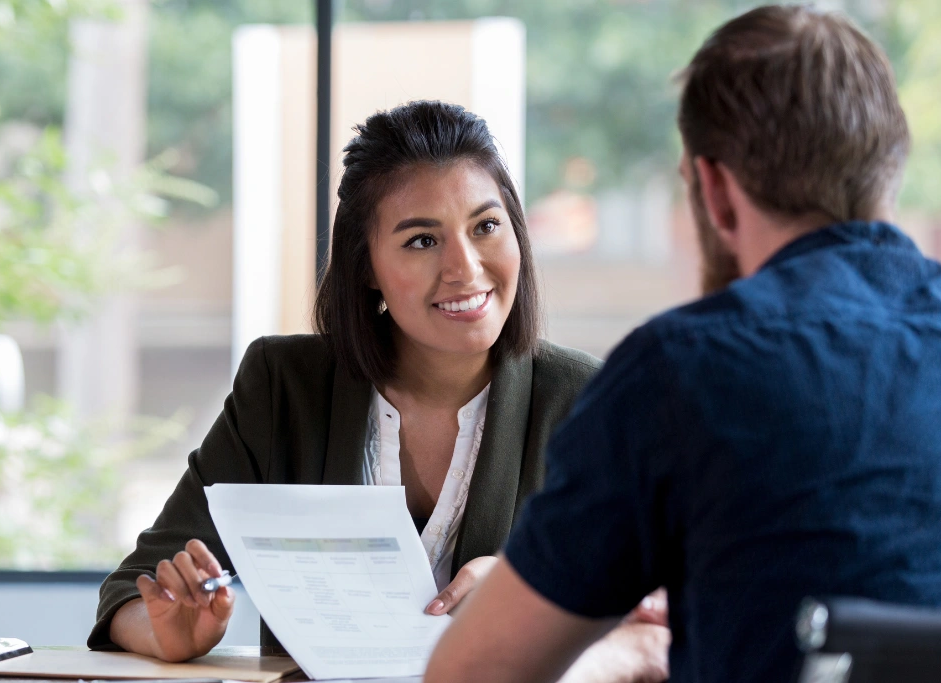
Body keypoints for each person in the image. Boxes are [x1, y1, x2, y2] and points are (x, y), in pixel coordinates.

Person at [425, 5, 941, 683]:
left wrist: (626, 651)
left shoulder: (681, 371)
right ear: (892, 169)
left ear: (715, 190)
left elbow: (471, 675)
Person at [87, 100, 670, 681]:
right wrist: (168, 633)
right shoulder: (283, 387)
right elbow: (129, 593)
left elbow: (663, 612)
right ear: (365, 266)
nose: (465, 269)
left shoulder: (588, 400)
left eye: (486, 227)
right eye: (422, 240)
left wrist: (532, 593)